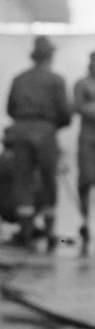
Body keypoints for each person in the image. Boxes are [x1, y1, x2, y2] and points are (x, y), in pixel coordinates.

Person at [5, 36, 70, 247]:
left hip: (21, 130)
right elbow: (65, 113)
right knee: (48, 178)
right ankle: (50, 228)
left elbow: (10, 109)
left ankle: (26, 229)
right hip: (45, 130)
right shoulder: (56, 80)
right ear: (50, 56)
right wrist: (51, 126)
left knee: (22, 178)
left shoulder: (19, 79)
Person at [75, 52, 95, 255]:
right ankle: (85, 221)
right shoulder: (82, 83)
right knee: (86, 180)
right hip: (88, 138)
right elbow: (78, 106)